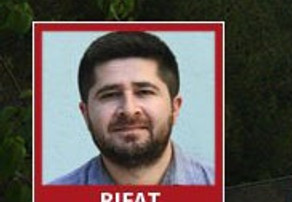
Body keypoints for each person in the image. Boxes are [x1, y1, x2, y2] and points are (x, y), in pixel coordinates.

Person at [50, 31, 214, 186]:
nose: (129, 110)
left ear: (175, 107)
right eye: (110, 95)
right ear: (85, 114)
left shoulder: (226, 192)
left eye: (144, 92)